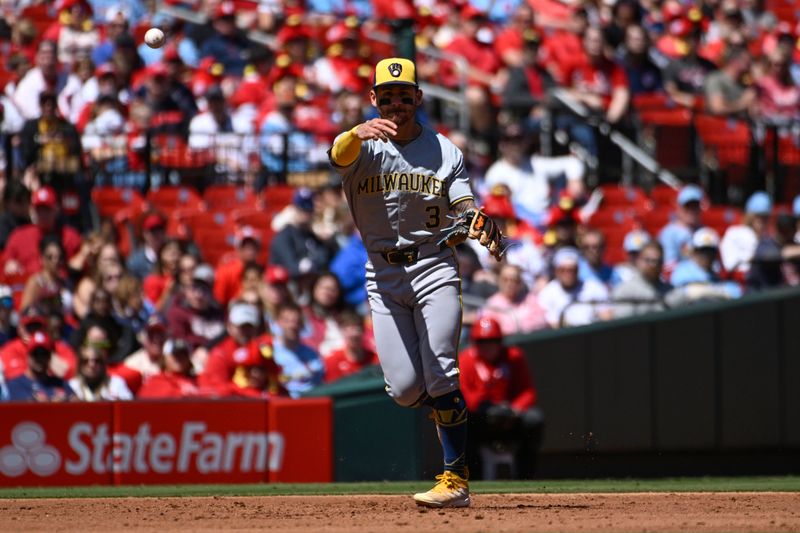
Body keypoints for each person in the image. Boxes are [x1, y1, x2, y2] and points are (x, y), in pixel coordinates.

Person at [328, 57, 496, 507]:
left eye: (405, 96)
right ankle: (448, 411)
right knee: (404, 391)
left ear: (418, 98)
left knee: (441, 371)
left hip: (433, 265)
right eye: (388, 97)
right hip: (381, 273)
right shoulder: (363, 146)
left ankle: (455, 478)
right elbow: (336, 156)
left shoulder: (444, 150)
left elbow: (463, 201)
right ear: (374, 100)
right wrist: (353, 132)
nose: (397, 104)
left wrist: (474, 219)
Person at [459, 317, 544, 480]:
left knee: (534, 419)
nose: (488, 346)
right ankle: (472, 479)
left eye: (493, 341)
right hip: (481, 419)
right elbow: (465, 396)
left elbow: (527, 391)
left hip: (510, 418)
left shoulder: (514, 357)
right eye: (482, 341)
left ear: (500, 341)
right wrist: (488, 409)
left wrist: (514, 409)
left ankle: (525, 477)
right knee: (462, 423)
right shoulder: (466, 359)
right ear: (475, 342)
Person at [538, 247, 613, 328]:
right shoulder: (547, 293)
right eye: (563, 270)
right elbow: (553, 325)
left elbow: (607, 316)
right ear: (556, 271)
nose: (567, 274)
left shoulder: (594, 287)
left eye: (571, 270)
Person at [271, 302, 325, 398]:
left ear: (301, 324)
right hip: (281, 402)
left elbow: (320, 384)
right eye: (287, 321)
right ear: (279, 322)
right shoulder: (271, 352)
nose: (292, 326)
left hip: (308, 402)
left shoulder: (312, 355)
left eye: (296, 321)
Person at [3, 331, 75, 402]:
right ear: (28, 356)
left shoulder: (60, 383)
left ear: (50, 357)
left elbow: (77, 402)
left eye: (44, 354)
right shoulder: (16, 385)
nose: (40, 359)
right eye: (36, 354)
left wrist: (66, 401)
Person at [479, 263, 548, 336]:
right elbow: (489, 327)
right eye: (505, 279)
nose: (509, 284)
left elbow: (541, 321)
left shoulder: (531, 299)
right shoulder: (491, 304)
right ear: (499, 281)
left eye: (514, 280)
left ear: (520, 283)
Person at [612, 241, 673, 317]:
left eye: (657, 261)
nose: (653, 265)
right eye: (648, 260)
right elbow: (624, 323)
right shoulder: (625, 291)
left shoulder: (670, 290)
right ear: (639, 261)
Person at [323, 310, 379, 383]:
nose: (353, 334)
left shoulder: (375, 359)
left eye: (357, 328)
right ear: (342, 331)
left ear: (363, 331)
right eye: (348, 329)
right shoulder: (332, 361)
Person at [137, 338, 203, 399]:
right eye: (175, 355)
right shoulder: (155, 381)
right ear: (164, 358)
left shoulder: (199, 380)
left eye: (183, 354)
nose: (179, 358)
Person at [658, 184, 704, 268]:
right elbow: (669, 266)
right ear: (679, 208)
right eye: (687, 206)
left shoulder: (704, 231)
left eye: (695, 206)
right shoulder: (669, 234)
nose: (692, 211)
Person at [69, 344, 133, 401]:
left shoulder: (116, 383)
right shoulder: (72, 386)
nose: (92, 365)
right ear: (80, 365)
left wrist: (117, 401)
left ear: (103, 364)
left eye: (97, 361)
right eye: (85, 361)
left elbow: (129, 405)